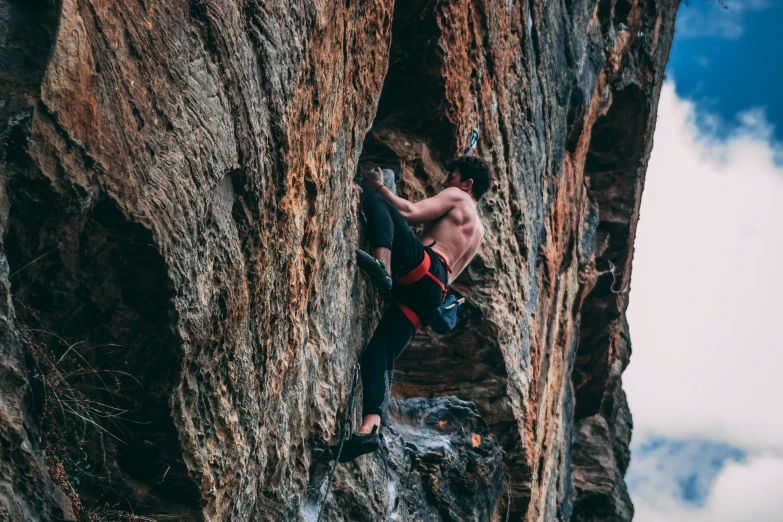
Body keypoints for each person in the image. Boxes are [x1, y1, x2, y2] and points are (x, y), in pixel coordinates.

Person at [334, 156, 492, 462]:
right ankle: (370, 427)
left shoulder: (459, 197)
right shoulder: (478, 233)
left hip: (424, 267)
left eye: (452, 176)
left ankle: (383, 264)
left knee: (377, 205)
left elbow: (409, 212)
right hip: (431, 295)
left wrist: (378, 186)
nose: (446, 182)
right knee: (380, 353)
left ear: (467, 184)